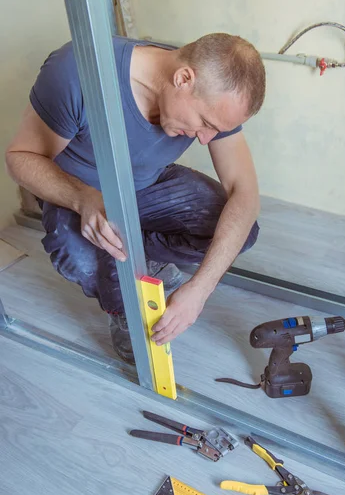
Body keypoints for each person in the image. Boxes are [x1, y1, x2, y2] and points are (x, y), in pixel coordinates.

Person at [5, 33, 266, 363]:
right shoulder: (76, 72)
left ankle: (140, 260)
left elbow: (245, 193)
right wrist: (82, 198)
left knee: (240, 229)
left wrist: (201, 289)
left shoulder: (214, 93)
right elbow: (20, 157)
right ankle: (122, 299)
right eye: (204, 123)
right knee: (81, 259)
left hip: (148, 187)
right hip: (78, 194)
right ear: (184, 79)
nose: (206, 139)